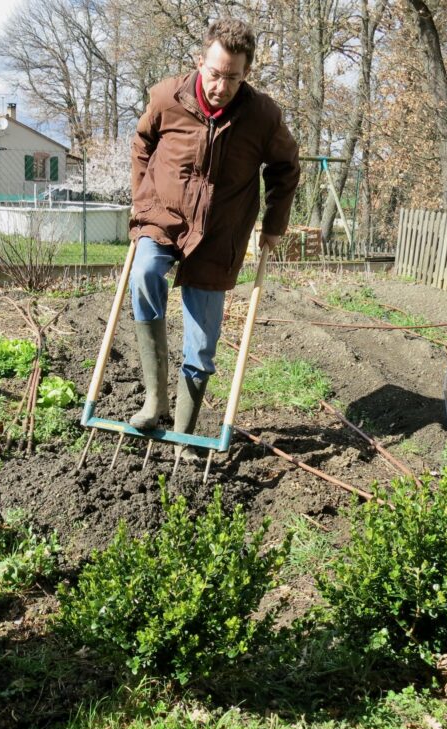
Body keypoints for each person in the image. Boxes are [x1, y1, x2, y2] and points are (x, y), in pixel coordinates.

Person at [127, 17, 300, 458]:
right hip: (162, 215)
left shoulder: (261, 116)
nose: (222, 85)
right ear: (199, 61)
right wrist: (140, 201)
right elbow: (143, 143)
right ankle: (155, 401)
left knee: (202, 344)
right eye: (215, 73)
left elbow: (286, 168)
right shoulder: (168, 97)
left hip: (220, 233)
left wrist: (274, 225)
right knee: (144, 272)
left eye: (233, 76)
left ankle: (183, 434)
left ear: (247, 73)